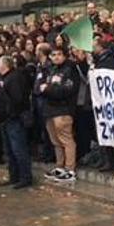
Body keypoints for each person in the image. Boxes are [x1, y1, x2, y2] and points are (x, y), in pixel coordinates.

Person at [41, 45, 80, 183]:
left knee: (66, 139)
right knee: (55, 141)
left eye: (59, 54)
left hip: (63, 109)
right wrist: (48, 89)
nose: (56, 57)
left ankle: (70, 169)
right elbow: (40, 87)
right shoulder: (51, 69)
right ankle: (60, 166)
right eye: (53, 55)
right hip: (50, 110)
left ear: (64, 55)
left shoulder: (70, 69)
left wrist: (48, 89)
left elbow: (65, 90)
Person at [0, 55, 34, 189]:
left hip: (15, 118)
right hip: (6, 119)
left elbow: (17, 99)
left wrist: (9, 110)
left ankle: (25, 177)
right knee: (9, 150)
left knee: (18, 149)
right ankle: (14, 176)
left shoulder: (15, 78)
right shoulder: (6, 78)